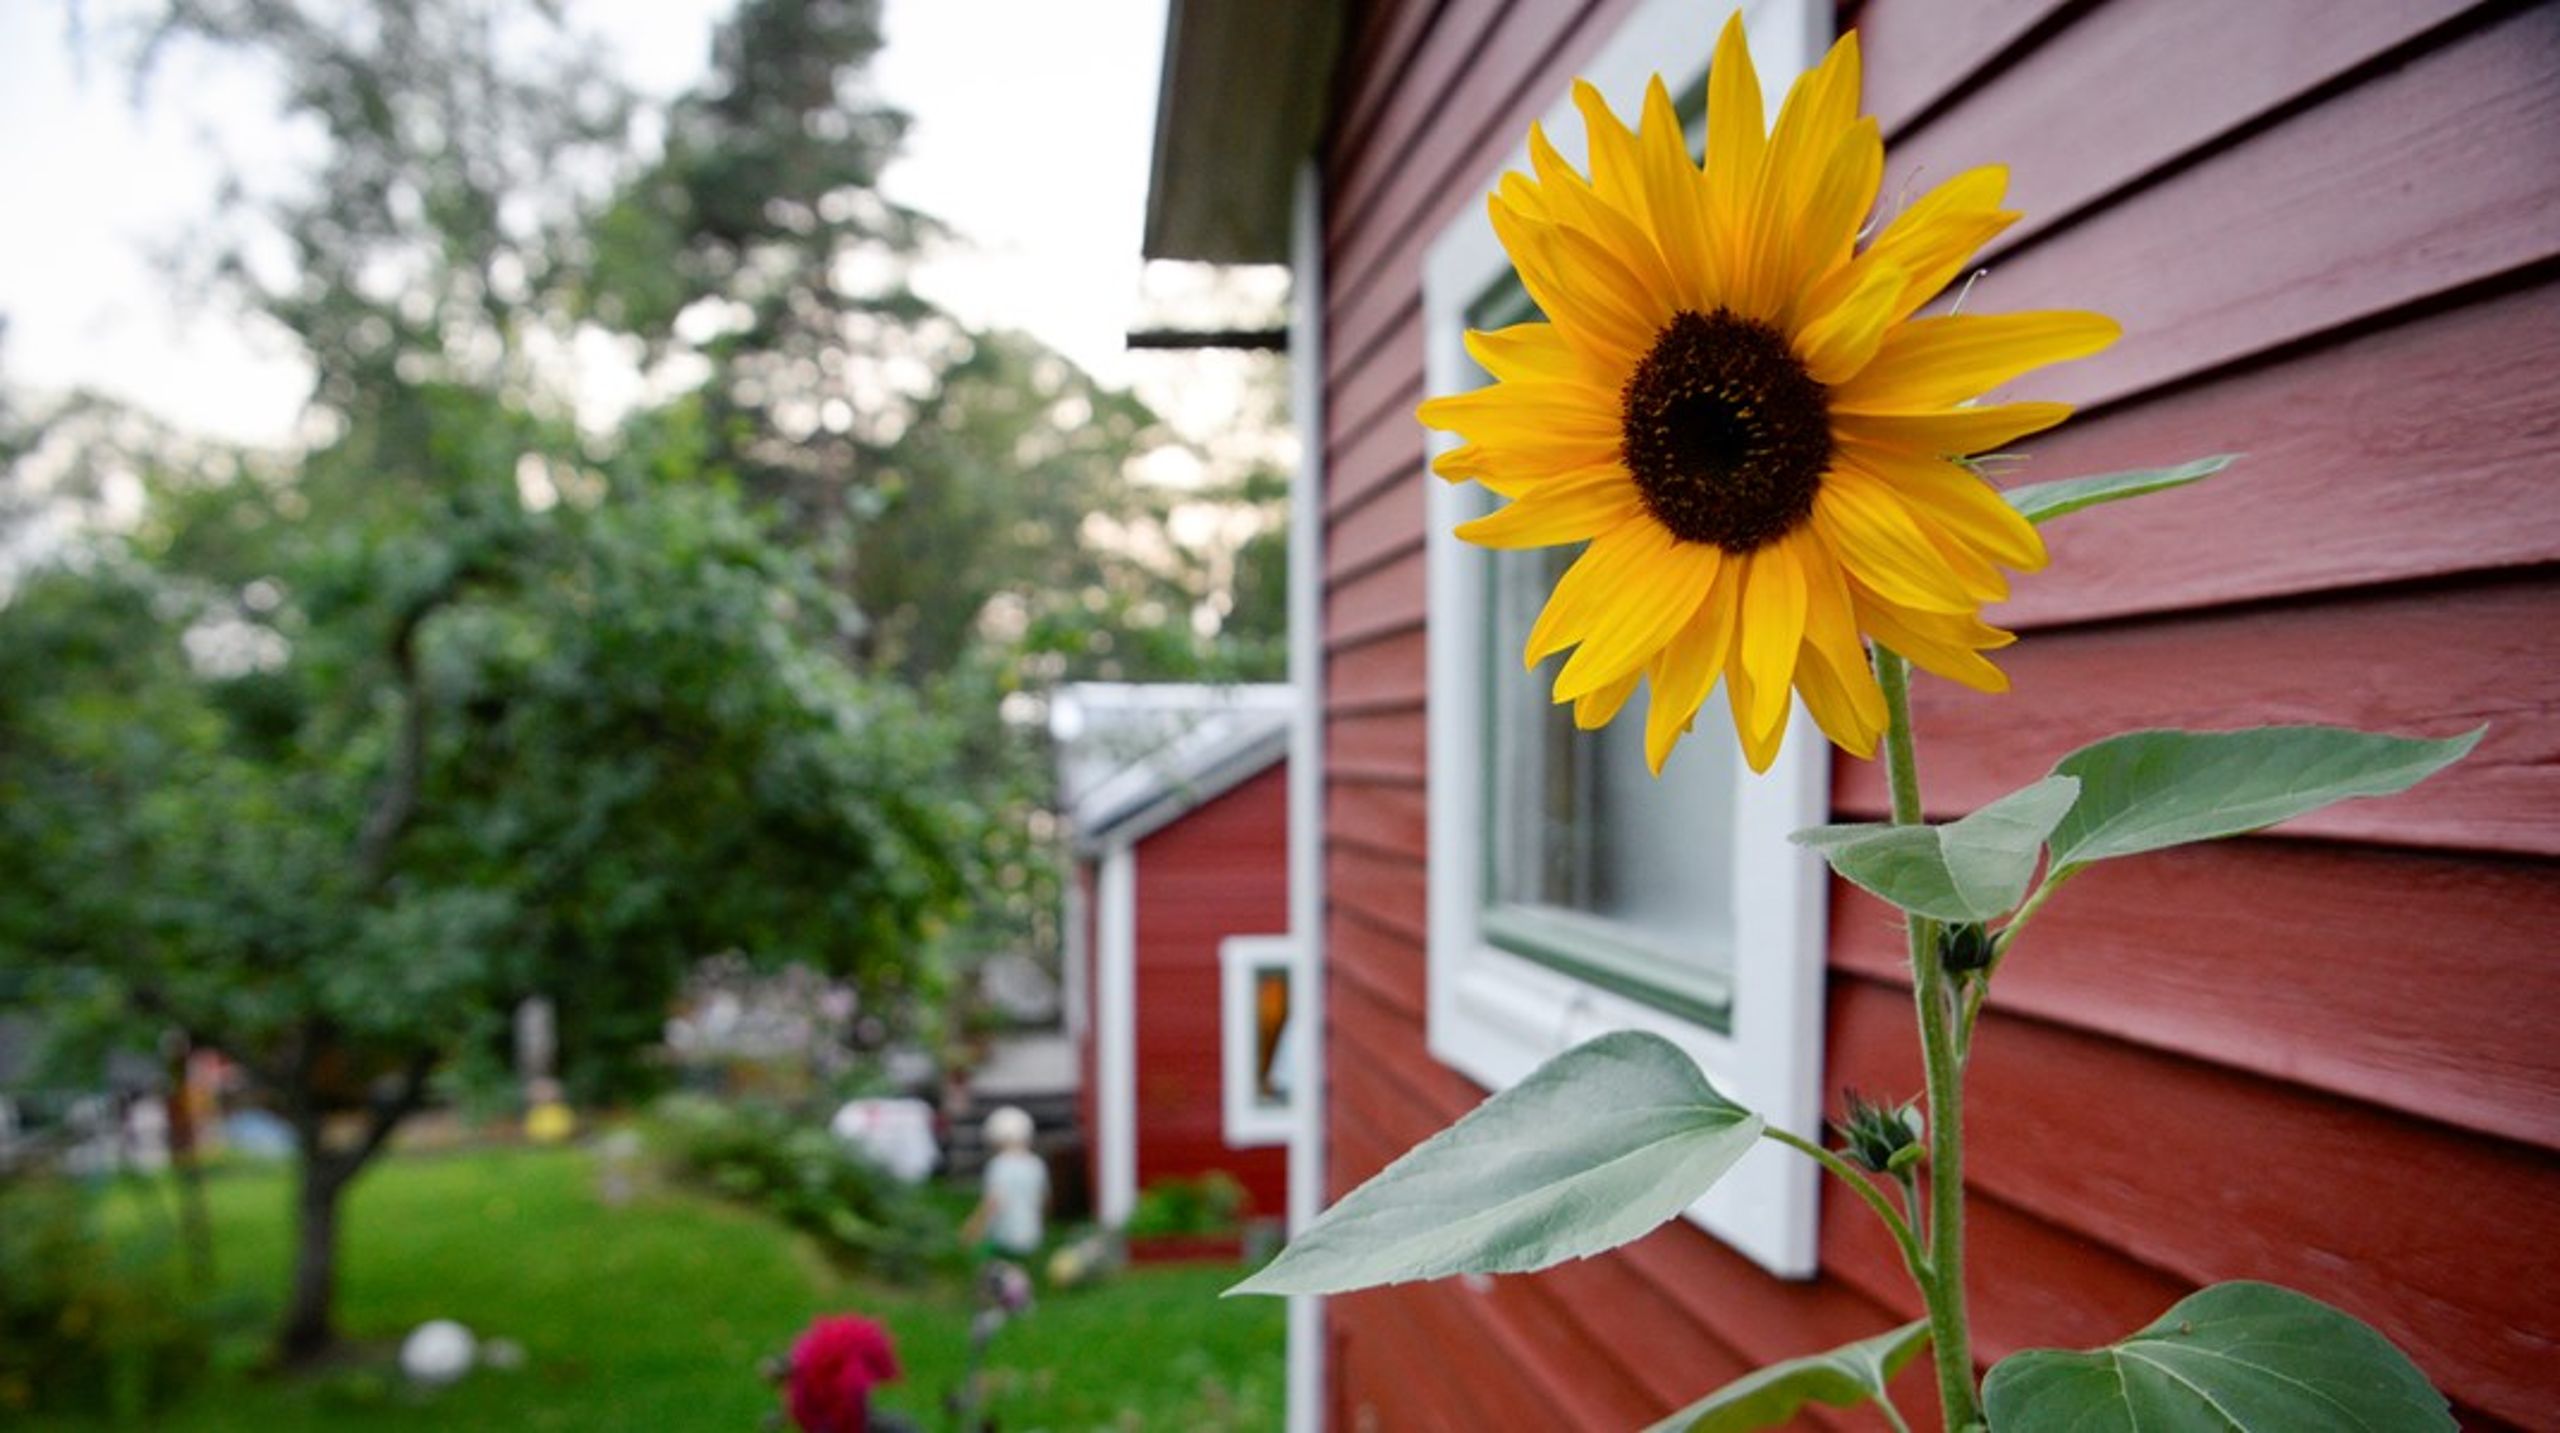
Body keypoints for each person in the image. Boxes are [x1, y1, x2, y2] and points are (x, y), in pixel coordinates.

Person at [961, 1106, 1048, 1258]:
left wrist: (974, 1228)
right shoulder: (1037, 1164)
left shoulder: (999, 1165)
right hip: (1032, 1238)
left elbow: (993, 1202)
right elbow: (1043, 1199)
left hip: (1005, 1239)